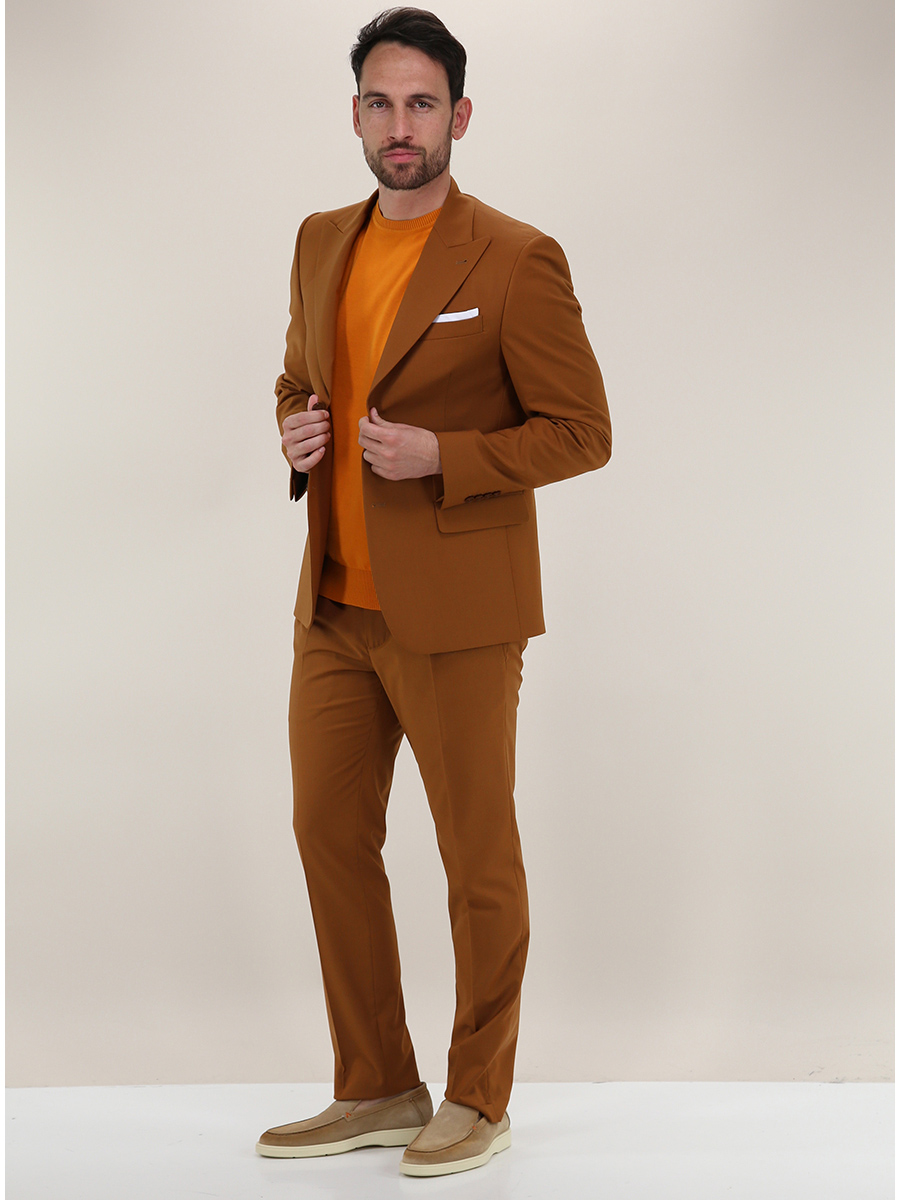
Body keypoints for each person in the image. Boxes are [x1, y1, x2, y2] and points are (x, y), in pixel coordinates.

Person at [256, 6, 611, 1179]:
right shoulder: (320, 240)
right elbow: (297, 376)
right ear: (354, 114)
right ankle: (376, 1084)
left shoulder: (513, 256)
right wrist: (297, 430)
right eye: (380, 102)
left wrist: (444, 456)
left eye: (421, 104)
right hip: (334, 607)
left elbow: (583, 431)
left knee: (476, 858)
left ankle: (478, 1096)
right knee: (327, 834)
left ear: (459, 116)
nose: (399, 126)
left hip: (459, 613)